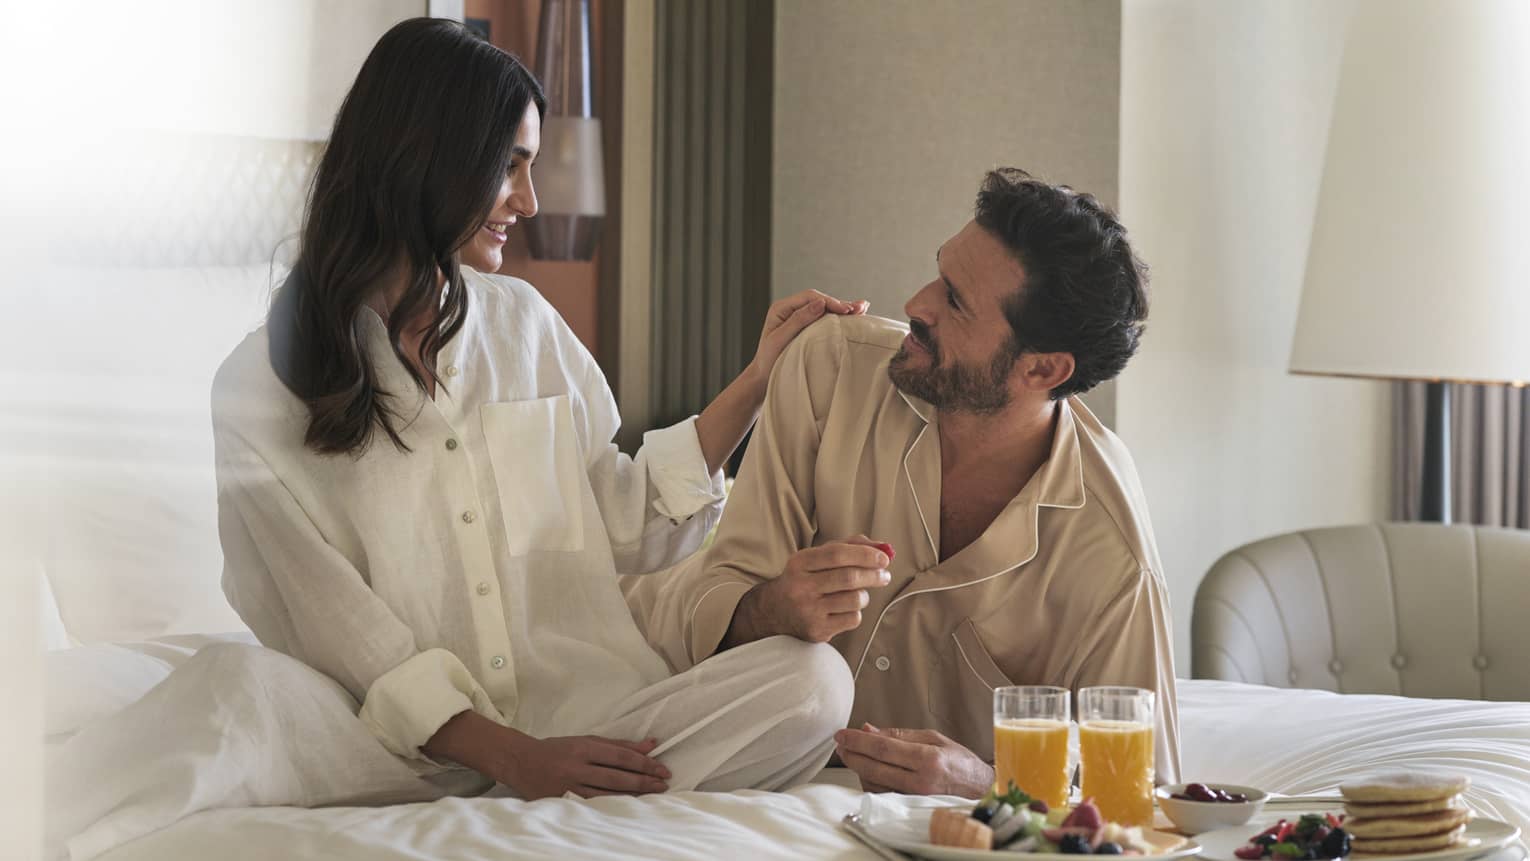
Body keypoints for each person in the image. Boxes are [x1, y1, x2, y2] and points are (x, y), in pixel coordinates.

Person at [49, 18, 863, 857]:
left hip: (582, 716)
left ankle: (583, 783)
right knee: (230, 689)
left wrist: (759, 378)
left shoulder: (530, 329)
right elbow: (345, 631)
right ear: (428, 157)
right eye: (509, 166)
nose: (530, 201)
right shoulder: (259, 387)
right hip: (376, 742)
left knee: (811, 681)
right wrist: (518, 760)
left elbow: (625, 518)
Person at [625, 168, 1179, 797]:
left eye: (956, 301)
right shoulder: (831, 370)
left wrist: (988, 782)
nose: (917, 304)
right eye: (940, 274)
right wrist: (770, 608)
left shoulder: (1112, 554)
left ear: (1044, 368)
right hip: (745, 768)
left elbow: (1135, 790)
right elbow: (720, 583)